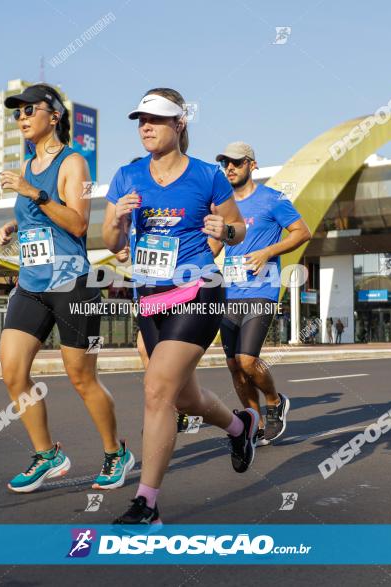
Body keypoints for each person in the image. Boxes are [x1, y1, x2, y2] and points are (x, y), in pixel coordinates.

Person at [102, 87, 257, 525]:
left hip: (198, 291)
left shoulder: (208, 175)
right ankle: (239, 427)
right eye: (140, 120)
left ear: (179, 123)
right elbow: (111, 244)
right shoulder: (127, 176)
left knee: (156, 391)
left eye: (155, 119)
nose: (145, 127)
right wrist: (118, 219)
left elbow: (238, 228)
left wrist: (223, 231)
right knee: (184, 397)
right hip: (149, 298)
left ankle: (146, 503)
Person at [0, 83, 134, 494]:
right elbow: (36, 215)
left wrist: (31, 192)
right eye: (16, 112)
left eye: (28, 110)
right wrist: (14, 225)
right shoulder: (26, 164)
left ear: (53, 116)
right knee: (12, 371)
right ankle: (47, 455)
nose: (21, 117)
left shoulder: (75, 163)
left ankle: (115, 452)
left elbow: (77, 223)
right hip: (32, 283)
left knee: (81, 377)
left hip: (73, 285)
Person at [211, 141, 311, 446]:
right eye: (225, 163)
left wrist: (268, 251)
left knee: (246, 359)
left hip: (262, 289)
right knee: (232, 365)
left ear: (252, 165)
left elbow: (302, 232)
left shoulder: (272, 199)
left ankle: (274, 401)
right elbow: (214, 245)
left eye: (237, 163)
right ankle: (253, 421)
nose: (230, 168)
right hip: (230, 291)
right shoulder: (222, 206)